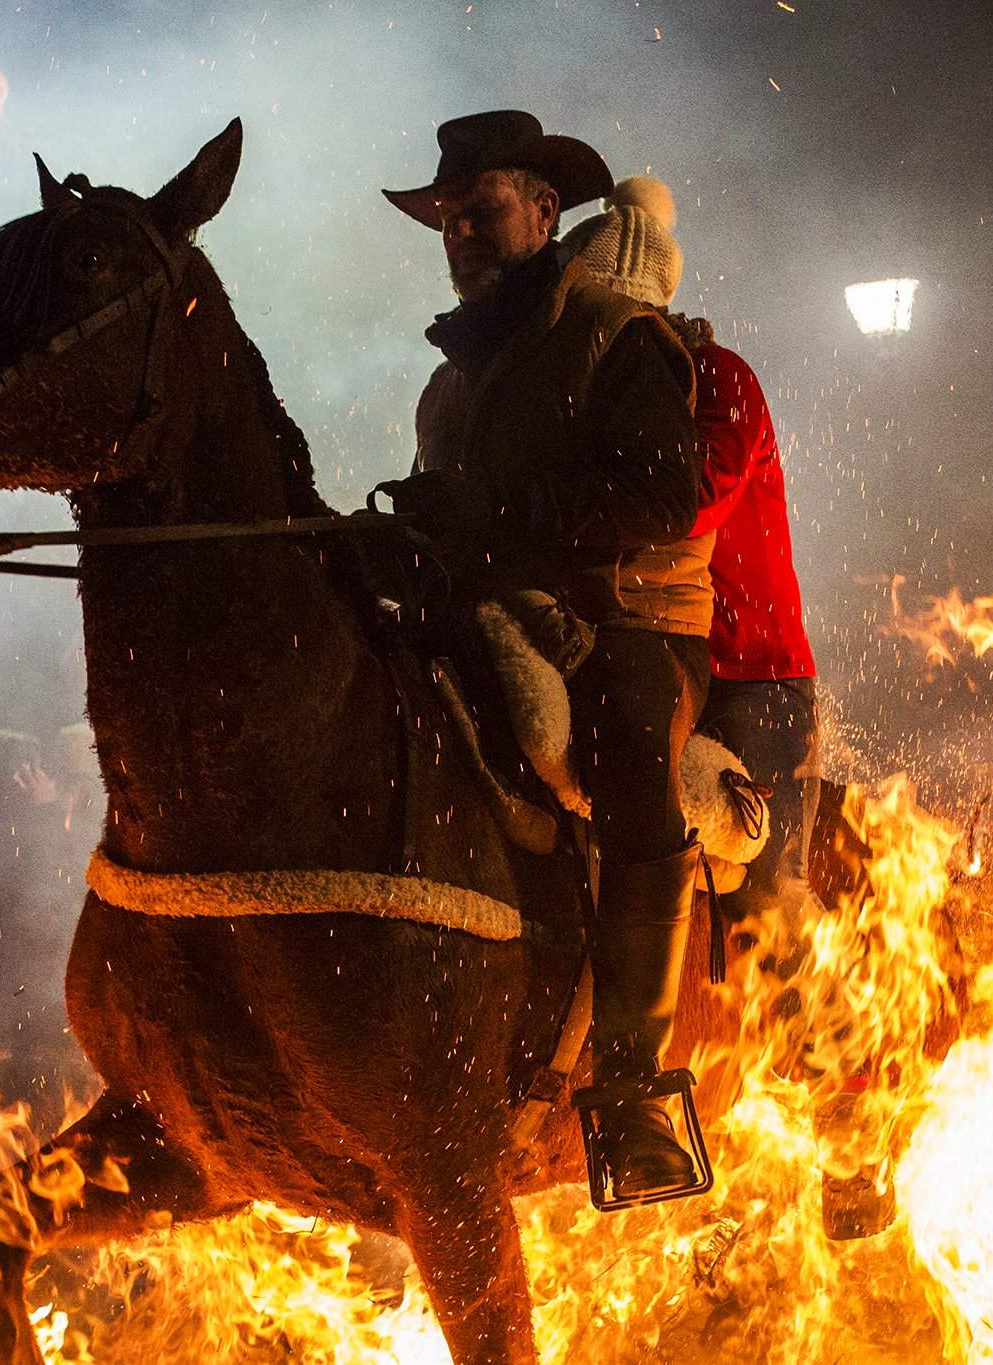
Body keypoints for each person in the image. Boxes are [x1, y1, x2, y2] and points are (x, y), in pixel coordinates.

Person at [377, 110, 713, 1205]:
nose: (459, 231)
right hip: (483, 600)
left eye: (479, 210)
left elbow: (666, 496)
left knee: (623, 742)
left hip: (615, 624)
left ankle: (633, 1086)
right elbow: (457, 515)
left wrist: (496, 517)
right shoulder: (451, 378)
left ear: (541, 210)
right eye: (444, 218)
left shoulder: (613, 334)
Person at [565, 178, 820, 929]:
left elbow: (686, 505)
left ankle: (805, 1012)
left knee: (768, 916)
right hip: (655, 648)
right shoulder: (599, 391)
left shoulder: (722, 380)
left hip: (754, 677)